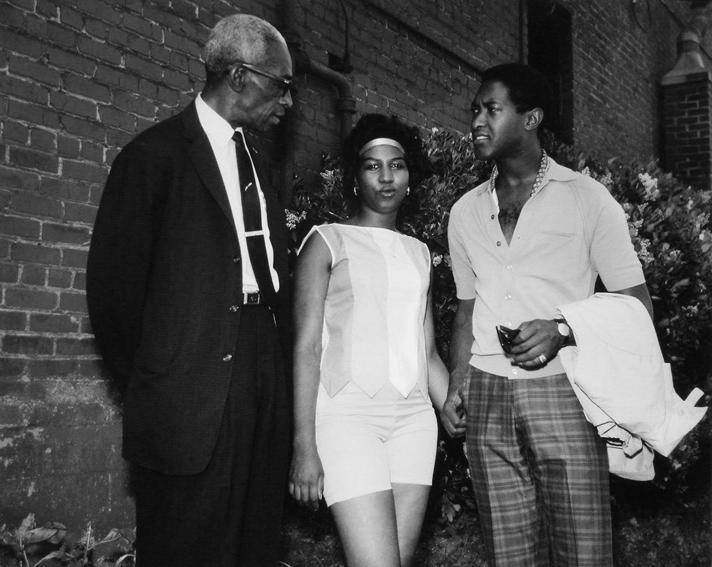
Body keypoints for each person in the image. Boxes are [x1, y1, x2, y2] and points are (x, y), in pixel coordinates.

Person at [86, 14, 294, 567]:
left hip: (260, 366)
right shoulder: (154, 157)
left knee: (254, 537)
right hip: (188, 385)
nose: (288, 101)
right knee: (187, 543)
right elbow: (113, 295)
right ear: (242, 76)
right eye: (281, 84)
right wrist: (162, 379)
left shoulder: (258, 162)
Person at [440, 63, 653, 566]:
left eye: (491, 109)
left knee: (584, 549)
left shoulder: (588, 199)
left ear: (531, 117)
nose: (476, 121)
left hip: (565, 389)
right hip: (487, 392)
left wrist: (564, 328)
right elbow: (466, 308)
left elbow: (638, 305)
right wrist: (455, 382)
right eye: (475, 110)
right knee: (509, 553)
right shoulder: (464, 211)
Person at [288, 114, 455, 567]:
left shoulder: (420, 253)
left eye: (396, 165)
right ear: (355, 178)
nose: (386, 176)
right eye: (372, 166)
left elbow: (427, 352)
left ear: (409, 176)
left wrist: (451, 405)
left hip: (415, 422)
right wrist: (304, 446)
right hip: (346, 419)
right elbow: (305, 347)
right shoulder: (325, 242)